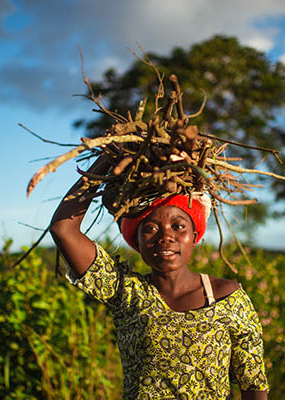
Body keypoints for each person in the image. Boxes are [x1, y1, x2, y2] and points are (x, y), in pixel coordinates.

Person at [50, 155, 269, 399]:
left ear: (195, 235)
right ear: (137, 241)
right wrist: (106, 161)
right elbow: (63, 229)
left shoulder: (227, 297)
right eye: (151, 229)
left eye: (178, 226)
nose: (166, 237)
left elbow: (253, 382)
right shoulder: (126, 293)